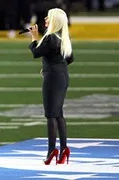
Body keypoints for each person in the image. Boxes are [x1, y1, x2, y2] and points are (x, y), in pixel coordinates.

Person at [28, 8, 74, 165]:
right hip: (62, 76)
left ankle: (51, 151)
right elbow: (70, 59)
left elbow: (36, 52)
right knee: (58, 114)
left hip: (53, 79)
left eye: (48, 17)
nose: (45, 19)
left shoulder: (49, 37)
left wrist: (34, 38)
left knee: (50, 114)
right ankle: (64, 148)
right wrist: (54, 66)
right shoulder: (63, 37)